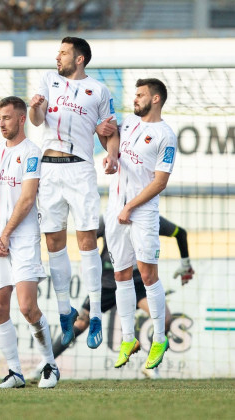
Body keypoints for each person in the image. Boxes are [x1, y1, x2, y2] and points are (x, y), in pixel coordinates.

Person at [29, 36, 120, 350]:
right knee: (53, 241)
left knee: (86, 240)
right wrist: (36, 110)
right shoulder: (48, 80)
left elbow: (109, 130)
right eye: (58, 52)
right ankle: (65, 312)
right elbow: (37, 120)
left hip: (80, 169)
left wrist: (112, 154)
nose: (58, 57)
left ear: (79, 58)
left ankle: (94, 314)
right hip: (49, 169)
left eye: (64, 53)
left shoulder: (98, 90)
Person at [42, 215, 194, 378]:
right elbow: (88, 238)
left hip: (136, 283)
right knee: (81, 322)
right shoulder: (109, 219)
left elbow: (181, 233)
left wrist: (185, 264)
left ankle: (150, 366)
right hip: (107, 282)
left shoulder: (149, 217)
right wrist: (87, 264)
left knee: (165, 319)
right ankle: (45, 364)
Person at [0, 96, 59, 389]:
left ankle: (50, 364)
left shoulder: (32, 152)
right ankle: (15, 372)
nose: (2, 123)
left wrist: (6, 234)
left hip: (21, 239)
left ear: (22, 119)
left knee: (27, 308)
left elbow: (26, 199)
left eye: (7, 118)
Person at [105, 78, 177, 371]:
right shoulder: (128, 124)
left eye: (140, 95)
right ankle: (128, 338)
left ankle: (159, 338)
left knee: (147, 274)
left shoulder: (165, 135)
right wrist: (110, 156)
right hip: (114, 209)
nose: (135, 99)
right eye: (135, 94)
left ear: (156, 99)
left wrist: (131, 206)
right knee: (121, 274)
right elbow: (112, 140)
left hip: (142, 212)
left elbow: (160, 181)